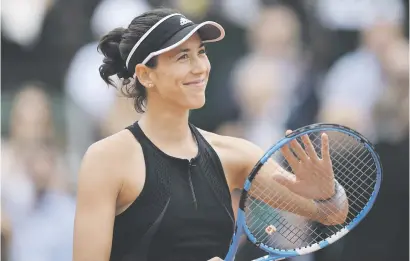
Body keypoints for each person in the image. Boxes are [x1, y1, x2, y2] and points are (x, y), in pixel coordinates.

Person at [73, 8, 348, 261]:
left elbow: (333, 213)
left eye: (201, 52)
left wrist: (329, 192)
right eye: (183, 56)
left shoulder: (236, 155)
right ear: (146, 75)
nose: (200, 67)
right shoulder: (106, 159)